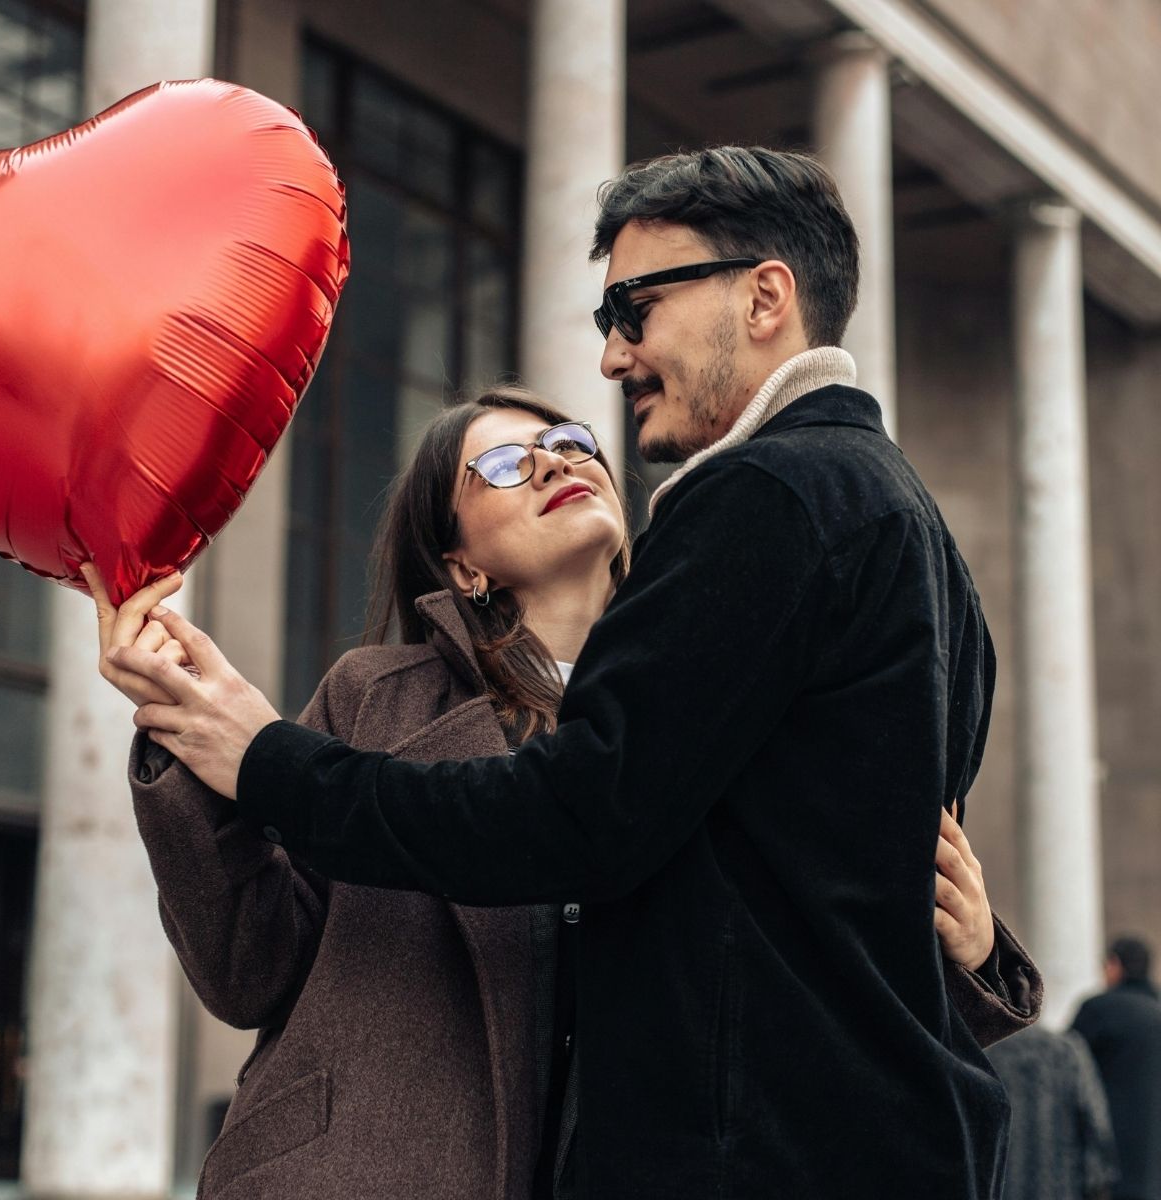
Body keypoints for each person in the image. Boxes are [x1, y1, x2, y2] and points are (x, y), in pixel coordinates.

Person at [107, 147, 1031, 1198]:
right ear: (456, 555)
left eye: (632, 308)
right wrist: (204, 742)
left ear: (766, 296)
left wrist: (272, 760)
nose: (611, 359)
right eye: (501, 463)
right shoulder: (911, 544)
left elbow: (581, 822)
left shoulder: (767, 500)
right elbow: (254, 959)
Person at [1072, 936, 1161, 1200]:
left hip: (1108, 1149)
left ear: (1115, 965)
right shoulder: (1157, 1012)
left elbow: (1068, 1065)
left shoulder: (1099, 1009)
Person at [987, 1025, 1118, 1200]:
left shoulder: (986, 1052)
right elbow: (1095, 1124)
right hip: (1060, 1187)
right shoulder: (1067, 1050)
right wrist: (1097, 1183)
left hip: (1001, 1186)